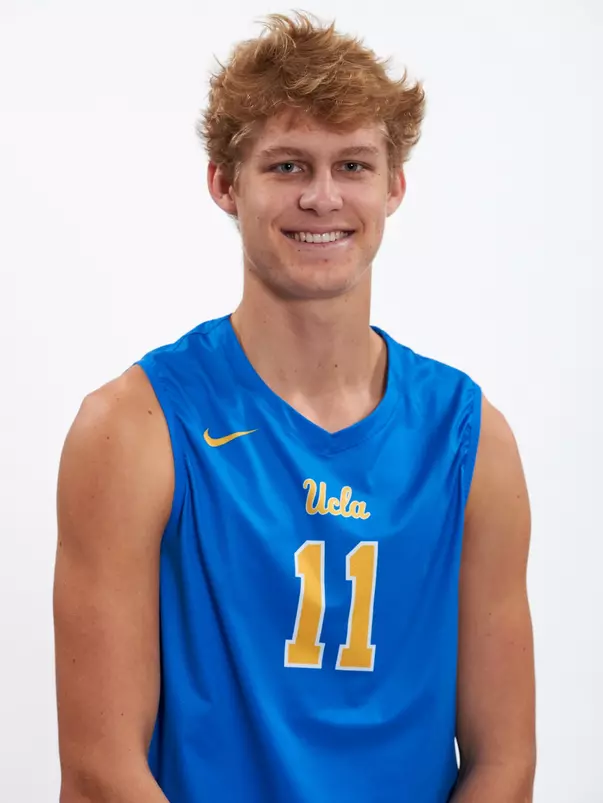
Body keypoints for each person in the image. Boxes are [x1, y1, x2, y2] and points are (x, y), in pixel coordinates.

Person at [53, 11, 536, 803]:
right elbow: (102, 775)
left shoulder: (469, 436)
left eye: (351, 164)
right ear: (223, 182)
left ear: (393, 185)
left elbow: (502, 763)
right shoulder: (134, 428)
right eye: (285, 166)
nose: (321, 197)